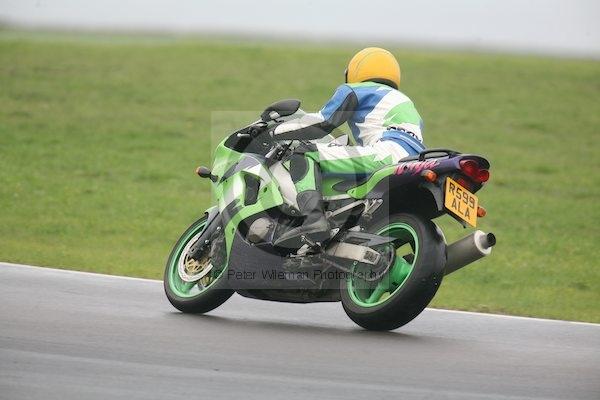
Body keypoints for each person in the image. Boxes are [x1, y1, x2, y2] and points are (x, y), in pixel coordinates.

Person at [273, 47, 425, 246]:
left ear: (356, 71)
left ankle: (314, 220)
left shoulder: (356, 90)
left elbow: (322, 122)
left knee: (305, 154)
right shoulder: (405, 102)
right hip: (417, 161)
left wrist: (277, 131)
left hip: (387, 154)